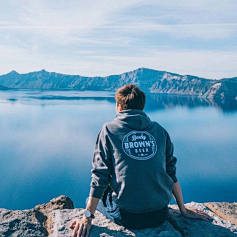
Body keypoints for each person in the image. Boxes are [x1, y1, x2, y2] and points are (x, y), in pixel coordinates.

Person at [70, 84, 212, 236]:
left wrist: (87, 216)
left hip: (128, 218)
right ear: (142, 106)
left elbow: (100, 176)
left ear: (119, 107)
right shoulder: (159, 130)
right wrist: (182, 209)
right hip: (160, 214)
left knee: (91, 200)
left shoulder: (109, 130)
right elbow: (171, 172)